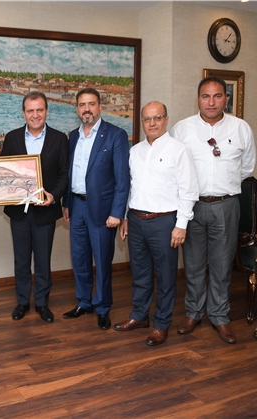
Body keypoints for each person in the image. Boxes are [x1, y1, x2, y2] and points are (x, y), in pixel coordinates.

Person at [171, 76, 256, 344]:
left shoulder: (240, 128)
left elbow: (247, 167)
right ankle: (193, 313)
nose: (211, 102)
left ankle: (219, 316)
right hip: (192, 205)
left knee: (221, 265)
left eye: (217, 96)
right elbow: (174, 167)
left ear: (226, 99)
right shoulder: (182, 129)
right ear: (198, 99)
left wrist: (223, 186)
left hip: (226, 205)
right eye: (205, 96)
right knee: (193, 264)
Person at [114, 101, 199, 346]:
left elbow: (189, 190)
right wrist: (126, 216)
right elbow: (130, 187)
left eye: (157, 117)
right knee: (140, 274)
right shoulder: (135, 151)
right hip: (136, 220)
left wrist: (181, 225)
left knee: (165, 276)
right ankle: (139, 316)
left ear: (166, 119)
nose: (152, 123)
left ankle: (161, 324)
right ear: (142, 122)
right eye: (147, 119)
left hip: (164, 222)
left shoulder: (179, 150)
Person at [62, 87, 130, 330]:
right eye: (82, 105)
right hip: (77, 205)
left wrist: (117, 213)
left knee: (101, 260)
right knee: (79, 257)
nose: (87, 109)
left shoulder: (116, 135)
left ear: (100, 106)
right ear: (77, 109)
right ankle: (84, 302)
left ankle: (102, 306)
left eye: (91, 104)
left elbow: (122, 179)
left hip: (102, 209)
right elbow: (69, 173)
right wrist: (67, 203)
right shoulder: (73, 136)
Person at [1, 91, 69, 323]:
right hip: (18, 212)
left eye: (39, 110)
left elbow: (64, 174)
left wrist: (54, 196)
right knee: (21, 260)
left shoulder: (59, 139)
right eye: (30, 111)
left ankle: (42, 303)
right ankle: (22, 302)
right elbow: (3, 173)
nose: (35, 115)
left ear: (47, 111)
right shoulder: (12, 138)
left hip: (45, 212)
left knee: (42, 261)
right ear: (24, 113)